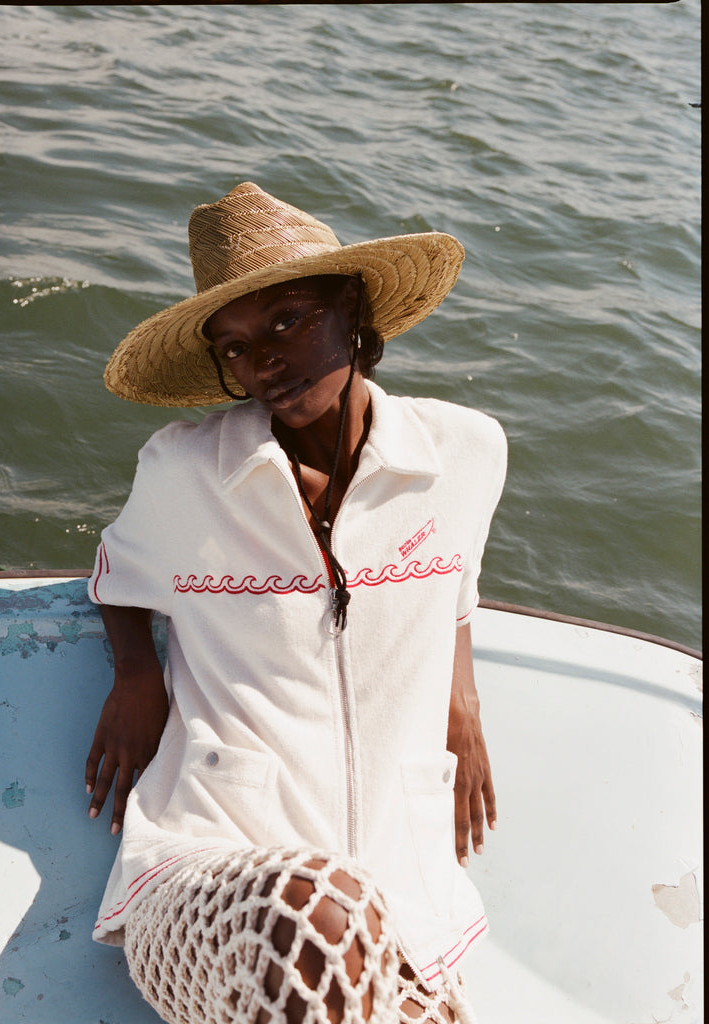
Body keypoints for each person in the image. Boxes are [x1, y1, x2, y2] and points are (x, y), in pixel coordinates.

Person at [85, 181, 507, 1024]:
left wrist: (460, 697)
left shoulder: (464, 450)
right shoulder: (184, 470)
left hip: (402, 883)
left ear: (352, 307)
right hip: (211, 871)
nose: (262, 363)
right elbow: (116, 572)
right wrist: (138, 674)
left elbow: (456, 579)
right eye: (235, 348)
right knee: (322, 906)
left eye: (286, 321)